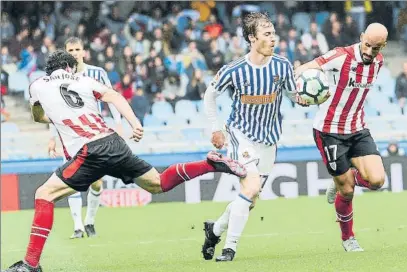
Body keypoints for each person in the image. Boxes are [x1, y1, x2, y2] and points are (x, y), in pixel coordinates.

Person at [4, 50, 247, 272]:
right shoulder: (85, 80)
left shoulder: (37, 85)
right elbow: (114, 96)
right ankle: (209, 164)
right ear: (69, 67)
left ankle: (30, 265)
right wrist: (135, 123)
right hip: (113, 141)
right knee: (157, 183)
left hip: (90, 150)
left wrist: (50, 116)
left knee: (43, 195)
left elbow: (37, 116)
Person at [201, 12, 308, 262]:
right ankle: (230, 248)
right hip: (241, 135)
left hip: (269, 139)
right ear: (252, 38)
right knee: (250, 188)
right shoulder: (234, 70)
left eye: (273, 33)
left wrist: (306, 98)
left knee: (250, 199)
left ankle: (214, 231)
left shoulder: (282, 65)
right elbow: (210, 95)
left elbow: (293, 94)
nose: (273, 38)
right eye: (267, 34)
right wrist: (216, 128)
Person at [294, 23, 388, 252]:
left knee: (377, 181)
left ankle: (347, 177)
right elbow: (303, 69)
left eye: (375, 48)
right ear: (361, 37)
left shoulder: (379, 61)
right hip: (329, 131)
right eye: (367, 45)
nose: (369, 52)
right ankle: (348, 238)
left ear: (382, 47)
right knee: (347, 191)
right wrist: (297, 92)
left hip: (357, 129)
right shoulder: (340, 56)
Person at [47, 37, 123, 239]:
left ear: (84, 51)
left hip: (94, 136)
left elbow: (112, 97)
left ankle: (89, 221)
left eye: (77, 49)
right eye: (70, 49)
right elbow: (53, 108)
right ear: (64, 52)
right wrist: (52, 136)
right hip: (69, 137)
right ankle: (78, 226)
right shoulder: (57, 78)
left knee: (97, 182)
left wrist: (119, 123)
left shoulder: (97, 73)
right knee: (72, 180)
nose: (74, 53)